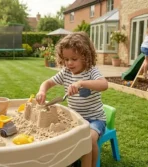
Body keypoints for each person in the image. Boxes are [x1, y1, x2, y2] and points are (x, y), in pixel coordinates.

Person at [35, 32, 108, 167]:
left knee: (89, 139)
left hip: (95, 119)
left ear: (85, 56)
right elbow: (48, 83)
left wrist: (81, 83)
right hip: (75, 118)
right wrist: (42, 90)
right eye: (66, 59)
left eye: (74, 59)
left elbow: (104, 85)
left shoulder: (91, 71)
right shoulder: (66, 72)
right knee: (63, 138)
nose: (69, 63)